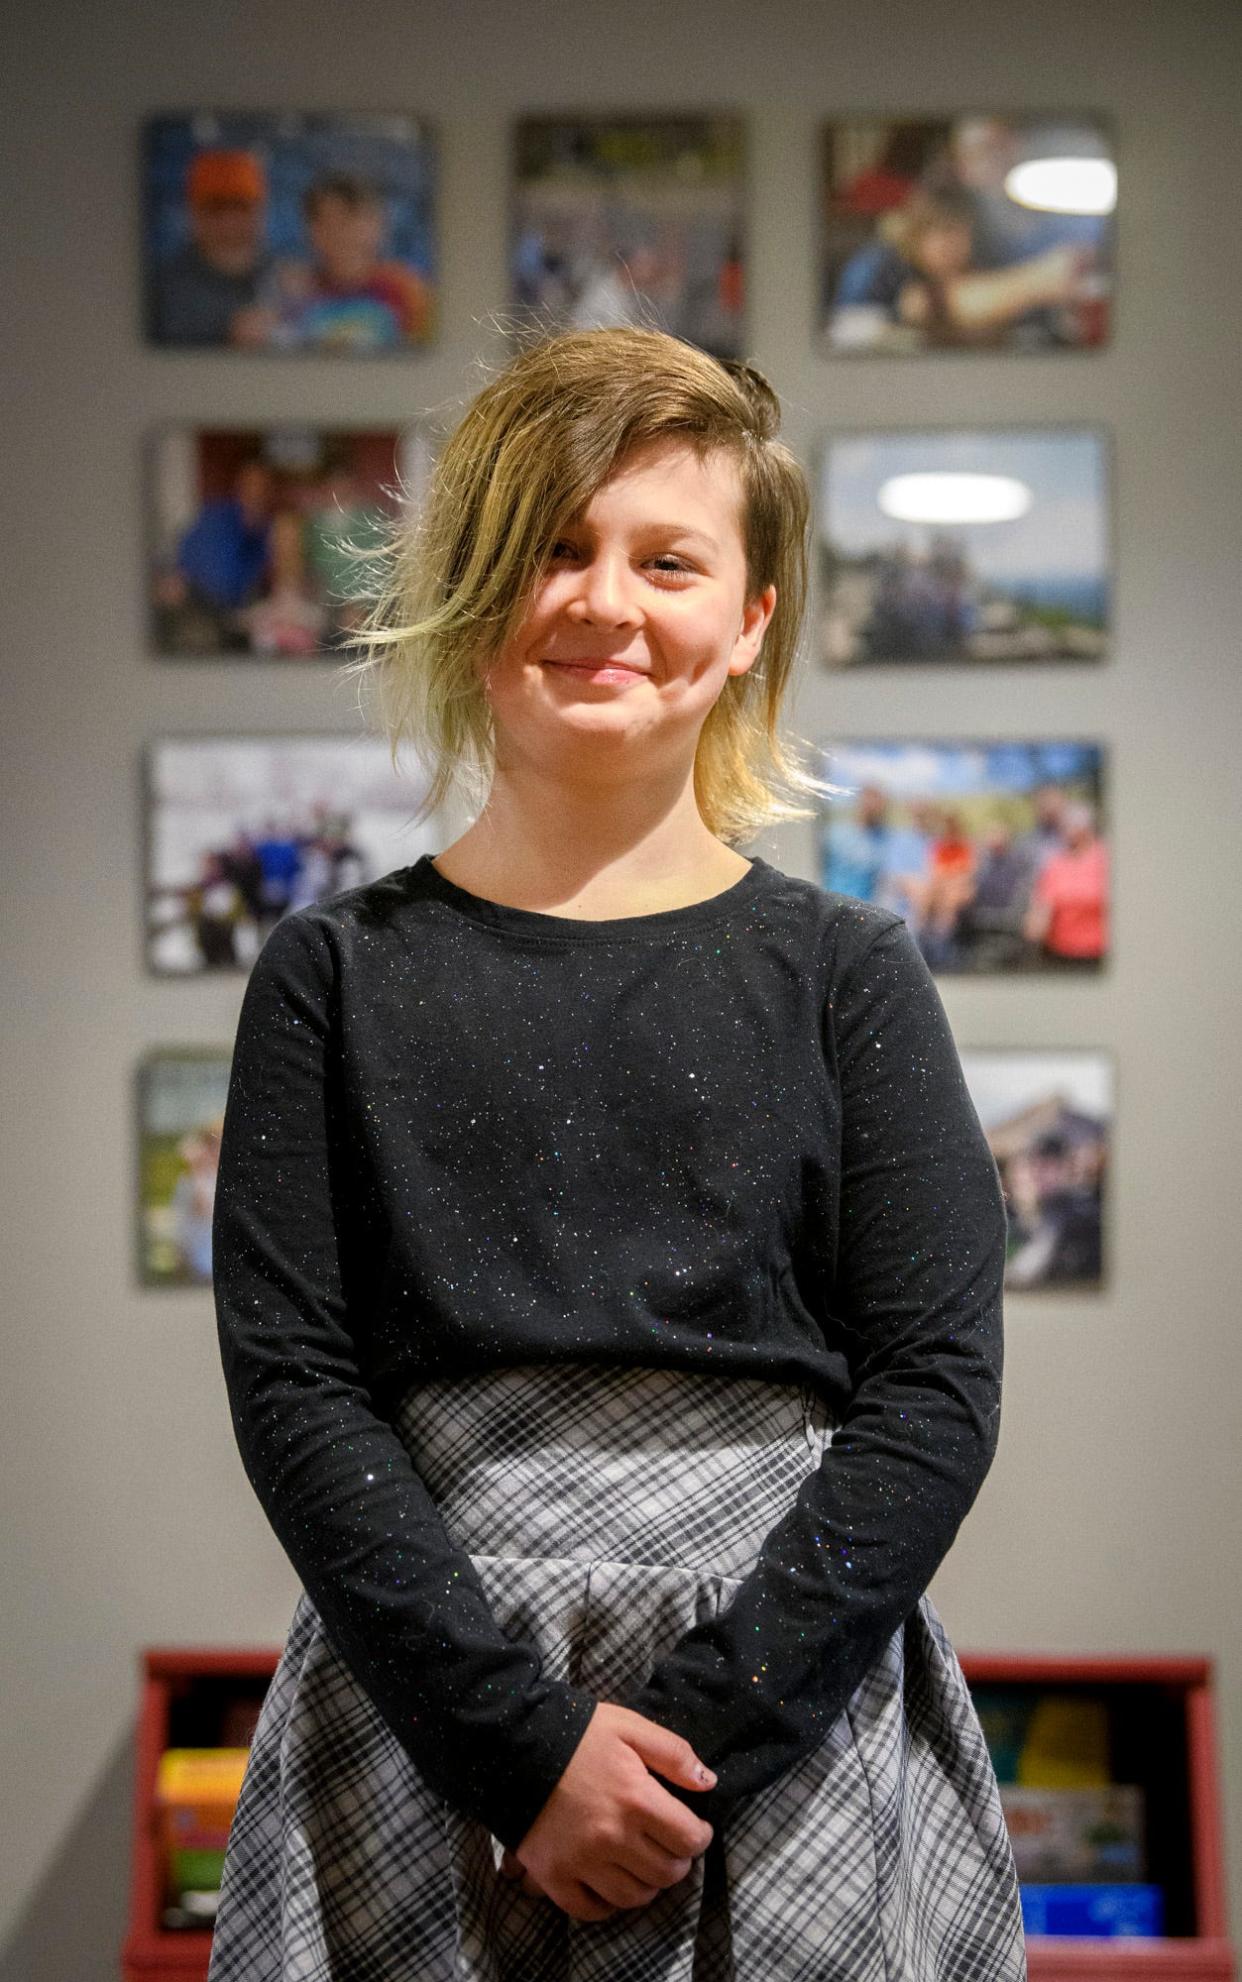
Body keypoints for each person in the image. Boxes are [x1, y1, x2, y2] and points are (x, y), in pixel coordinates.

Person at [208, 326, 1026, 1979]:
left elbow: (933, 1391)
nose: (604, 600)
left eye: (667, 558)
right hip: (432, 1697)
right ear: (470, 587)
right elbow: (296, 1391)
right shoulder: (331, 974)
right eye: (553, 550)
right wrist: (519, 1749)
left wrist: (696, 1734)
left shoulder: (850, 971)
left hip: (779, 1709)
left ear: (749, 621)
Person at [149, 148, 274, 346]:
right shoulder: (160, 291)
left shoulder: (289, 281)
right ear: (193, 214)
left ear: (261, 212)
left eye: (241, 207)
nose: (229, 222)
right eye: (216, 208)